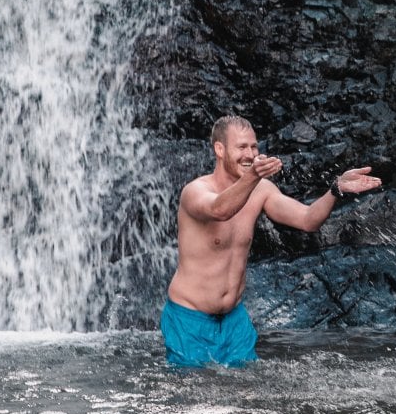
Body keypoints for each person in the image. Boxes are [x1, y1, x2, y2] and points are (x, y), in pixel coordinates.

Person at [161, 115, 382, 366]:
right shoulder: (196, 191)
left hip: (234, 320)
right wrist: (252, 176)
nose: (250, 154)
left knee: (246, 390)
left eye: (254, 146)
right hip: (189, 318)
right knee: (193, 394)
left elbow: (308, 219)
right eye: (242, 147)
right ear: (219, 149)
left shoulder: (261, 189)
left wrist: (336, 189)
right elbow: (220, 211)